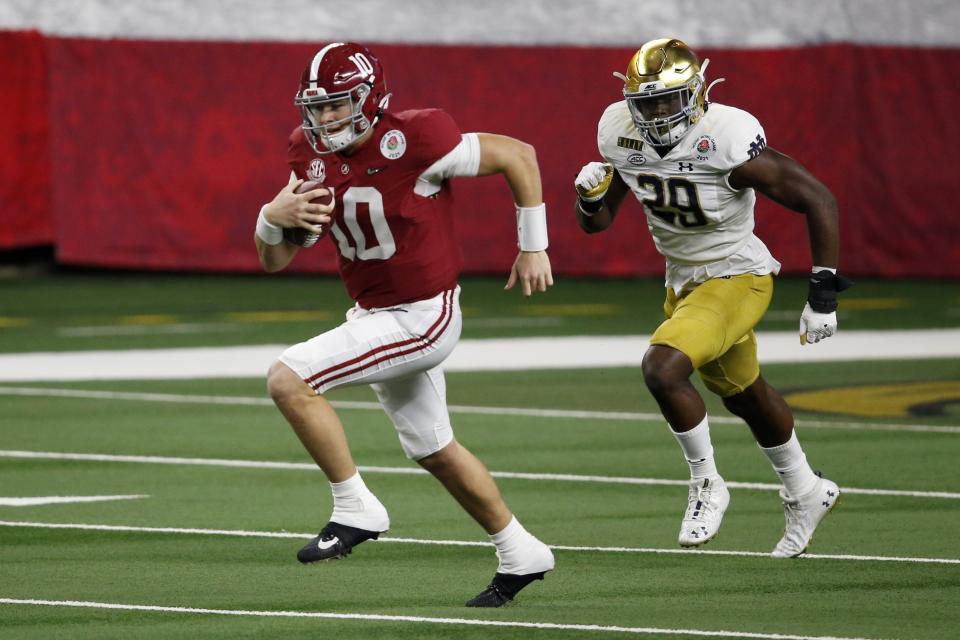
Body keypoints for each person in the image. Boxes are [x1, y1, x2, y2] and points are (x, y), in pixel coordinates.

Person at [253, 42, 554, 607]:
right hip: (374, 314)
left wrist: (532, 247)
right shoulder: (307, 155)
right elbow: (275, 260)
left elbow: (518, 155)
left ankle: (355, 506)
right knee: (433, 447)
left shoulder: (416, 137)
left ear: (370, 98)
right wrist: (272, 219)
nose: (325, 119)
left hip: (423, 313)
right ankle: (520, 550)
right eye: (316, 108)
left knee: (288, 378)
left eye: (339, 105)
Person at [574, 38, 852, 557]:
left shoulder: (724, 137)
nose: (656, 114)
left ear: (697, 92)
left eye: (667, 100)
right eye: (646, 102)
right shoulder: (619, 132)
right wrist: (589, 201)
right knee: (744, 394)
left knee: (662, 368)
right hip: (683, 282)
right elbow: (599, 223)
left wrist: (823, 291)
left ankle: (707, 483)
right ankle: (806, 489)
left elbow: (817, 196)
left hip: (737, 274)